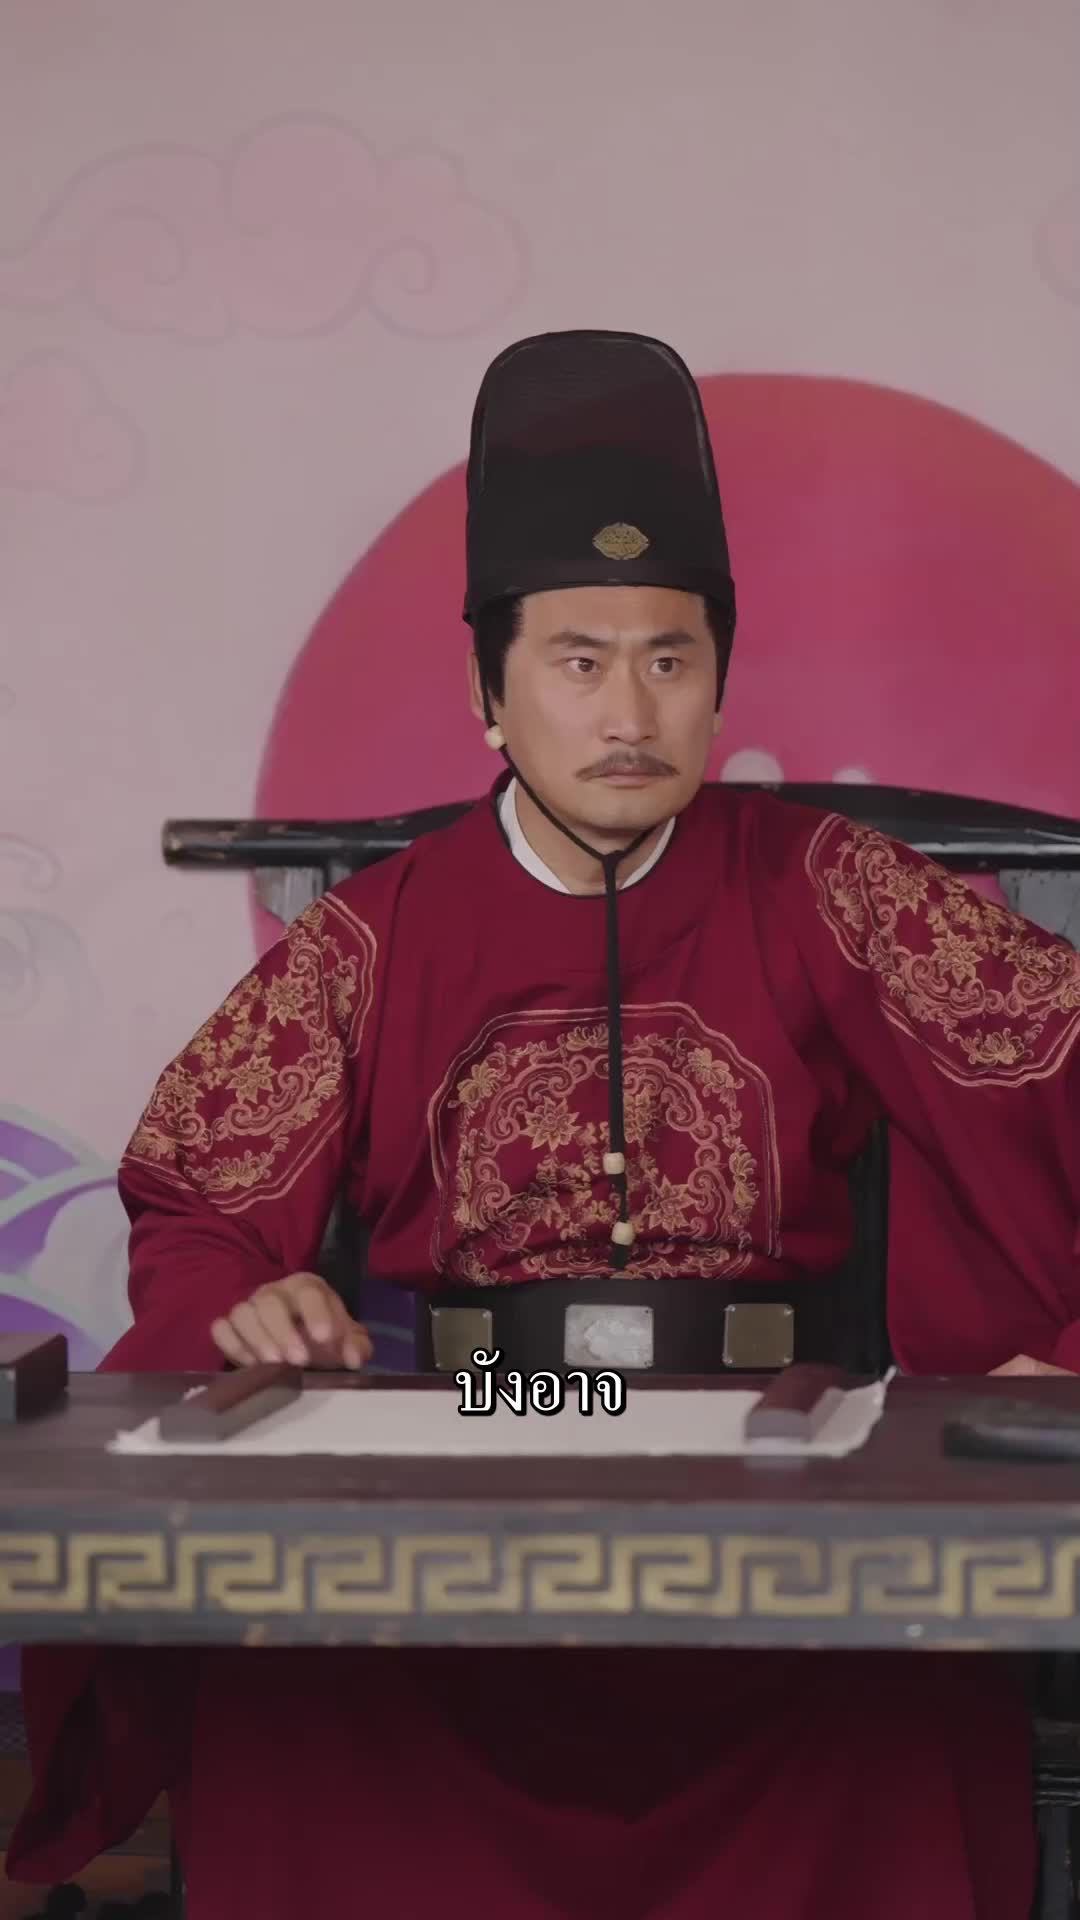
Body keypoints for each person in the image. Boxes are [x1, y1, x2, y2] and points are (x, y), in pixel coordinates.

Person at [8, 329, 1079, 1919]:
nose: (632, 710)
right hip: (474, 1440)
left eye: (672, 660)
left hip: (774, 1454)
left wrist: (1059, 1353)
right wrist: (245, 1298)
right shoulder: (378, 933)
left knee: (898, 1701)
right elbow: (200, 1204)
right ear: (488, 692)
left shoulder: (830, 885)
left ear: (719, 681)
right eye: (580, 661)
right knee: (297, 1700)